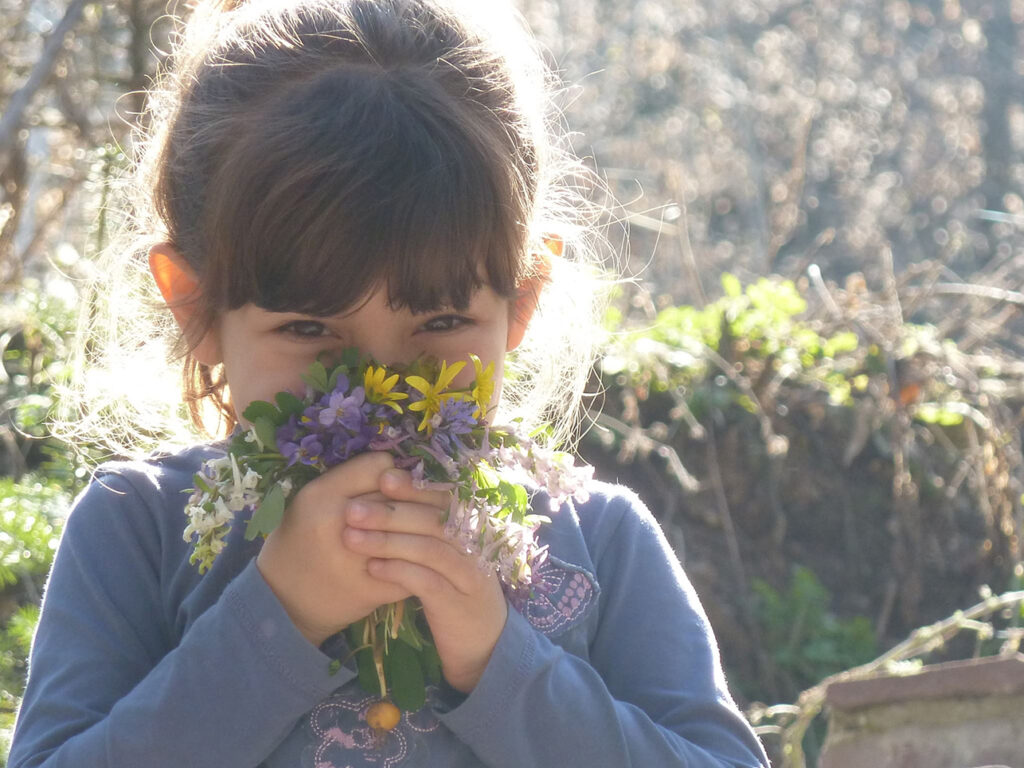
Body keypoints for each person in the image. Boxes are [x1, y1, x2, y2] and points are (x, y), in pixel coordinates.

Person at [9, 0, 769, 765]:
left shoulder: (597, 541)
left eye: (438, 324)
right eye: (309, 331)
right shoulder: (137, 530)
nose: (380, 392)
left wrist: (500, 661)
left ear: (522, 300)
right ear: (195, 307)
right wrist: (277, 616)